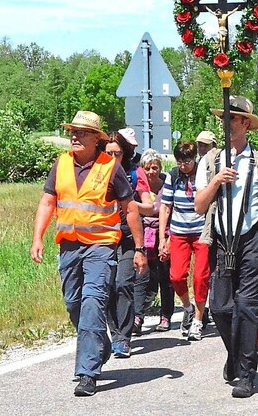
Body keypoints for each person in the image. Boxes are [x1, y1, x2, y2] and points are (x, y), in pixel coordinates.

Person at [31, 111, 147, 396]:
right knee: (74, 304)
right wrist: (38, 238)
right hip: (69, 246)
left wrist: (140, 248)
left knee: (93, 302)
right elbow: (47, 202)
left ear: (97, 138)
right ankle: (100, 345)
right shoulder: (61, 164)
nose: (75, 136)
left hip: (101, 246)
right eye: (73, 131)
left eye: (82, 132)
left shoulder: (111, 167)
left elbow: (130, 208)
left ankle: (87, 372)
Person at [194, 96, 258, 398]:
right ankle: (235, 354)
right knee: (222, 309)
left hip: (254, 238)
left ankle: (247, 374)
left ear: (245, 124)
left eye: (233, 118)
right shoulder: (210, 161)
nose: (226, 122)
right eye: (224, 117)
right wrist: (216, 182)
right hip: (222, 241)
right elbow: (199, 206)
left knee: (248, 308)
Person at [104, 129, 152, 358]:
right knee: (108, 286)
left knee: (123, 283)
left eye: (117, 154)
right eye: (108, 153)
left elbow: (149, 206)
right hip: (103, 237)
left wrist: (128, 204)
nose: (112, 159)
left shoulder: (135, 173)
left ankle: (123, 338)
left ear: (125, 153)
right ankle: (114, 334)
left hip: (129, 237)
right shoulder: (97, 173)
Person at [159, 141, 210, 341]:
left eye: (187, 161)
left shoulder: (203, 175)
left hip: (201, 232)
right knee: (176, 276)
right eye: (180, 161)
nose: (183, 165)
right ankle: (187, 308)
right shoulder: (173, 176)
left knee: (200, 277)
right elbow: (165, 207)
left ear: (194, 158)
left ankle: (197, 320)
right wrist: (163, 237)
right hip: (179, 232)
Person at [133, 149, 174, 335]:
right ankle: (137, 317)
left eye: (155, 167)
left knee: (166, 278)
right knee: (142, 278)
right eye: (147, 168)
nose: (151, 172)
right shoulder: (137, 189)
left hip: (164, 233)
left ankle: (165, 315)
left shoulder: (167, 185)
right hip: (144, 235)